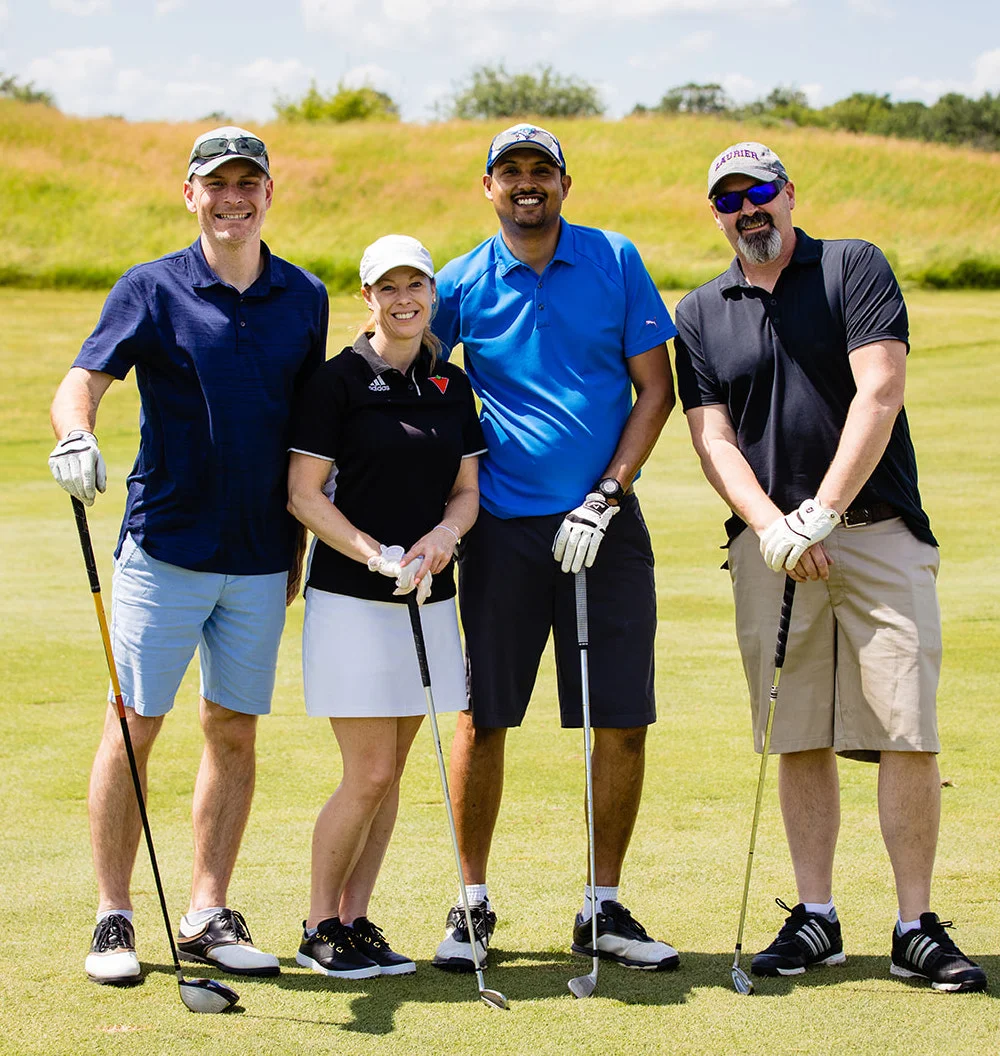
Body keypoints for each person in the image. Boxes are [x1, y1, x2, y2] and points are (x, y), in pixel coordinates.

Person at [672, 140, 986, 992]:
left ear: (789, 193)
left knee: (905, 727)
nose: (748, 209)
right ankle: (817, 917)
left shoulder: (852, 267)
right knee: (798, 731)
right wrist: (772, 525)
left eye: (761, 191)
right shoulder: (699, 311)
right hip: (771, 547)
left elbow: (879, 389)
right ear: (716, 214)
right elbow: (711, 435)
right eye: (729, 198)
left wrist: (823, 510)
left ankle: (914, 925)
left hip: (876, 529)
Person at [48, 126, 329, 985]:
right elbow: (83, 381)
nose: (232, 199)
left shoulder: (304, 296)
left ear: (269, 193)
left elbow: (306, 429)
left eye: (248, 183)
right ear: (190, 195)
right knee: (133, 724)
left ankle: (208, 912)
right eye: (217, 184)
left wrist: (298, 541)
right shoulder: (150, 288)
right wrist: (75, 434)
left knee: (233, 729)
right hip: (165, 546)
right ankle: (115, 915)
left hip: (260, 555)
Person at [429, 123, 679, 973]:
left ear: (565, 184)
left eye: (542, 170)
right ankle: (471, 904)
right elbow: (413, 369)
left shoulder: (614, 259)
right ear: (488, 187)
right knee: (483, 718)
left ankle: (602, 907)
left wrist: (608, 493)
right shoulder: (460, 281)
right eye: (511, 172)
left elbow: (655, 390)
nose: (526, 183)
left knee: (622, 720)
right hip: (500, 529)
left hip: (604, 524)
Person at [286, 234, 485, 978]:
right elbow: (304, 494)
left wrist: (443, 537)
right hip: (353, 601)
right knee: (368, 773)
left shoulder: (449, 383)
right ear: (367, 297)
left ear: (433, 293)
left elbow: (465, 492)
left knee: (391, 774)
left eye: (416, 286)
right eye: (388, 287)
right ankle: (317, 927)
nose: (404, 300)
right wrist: (373, 553)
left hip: (428, 598)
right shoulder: (336, 382)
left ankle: (355, 918)